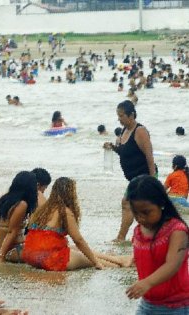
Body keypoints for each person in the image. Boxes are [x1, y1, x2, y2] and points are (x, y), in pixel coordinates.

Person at [22, 177, 132, 271]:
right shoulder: (64, 212)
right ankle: (120, 263)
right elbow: (78, 240)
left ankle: (118, 259)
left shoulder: (42, 209)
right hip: (51, 260)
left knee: (74, 248)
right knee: (89, 258)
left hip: (31, 256)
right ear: (70, 194)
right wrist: (96, 263)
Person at [125, 175, 188, 313]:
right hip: (147, 303)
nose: (140, 217)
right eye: (136, 213)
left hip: (176, 306)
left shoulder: (177, 230)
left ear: (161, 203)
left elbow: (172, 265)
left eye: (146, 212)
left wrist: (147, 282)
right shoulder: (139, 230)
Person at [103, 100, 156, 242]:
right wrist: (112, 147)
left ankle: (122, 237)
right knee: (140, 207)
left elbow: (149, 156)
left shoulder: (140, 131)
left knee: (127, 203)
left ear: (131, 115)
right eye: (118, 116)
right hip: (134, 178)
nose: (119, 119)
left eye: (121, 116)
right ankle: (148, 236)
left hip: (143, 176)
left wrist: (153, 179)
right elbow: (124, 152)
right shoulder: (123, 131)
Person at [0, 171, 38, 263]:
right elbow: (12, 231)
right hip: (13, 250)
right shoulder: (21, 204)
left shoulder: (2, 200)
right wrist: (1, 257)